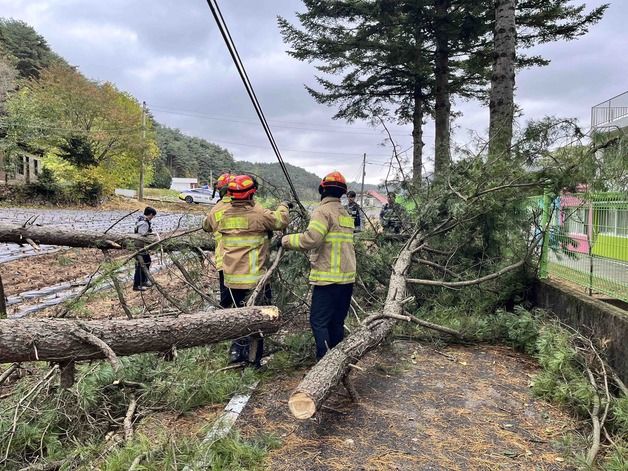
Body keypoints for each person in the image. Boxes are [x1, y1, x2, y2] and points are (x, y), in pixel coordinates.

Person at [205, 174, 290, 365]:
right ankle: (254, 360)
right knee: (258, 319)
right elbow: (281, 221)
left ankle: (236, 354)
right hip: (255, 279)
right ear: (252, 194)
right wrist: (284, 205)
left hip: (231, 278)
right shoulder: (259, 214)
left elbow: (206, 225)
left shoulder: (221, 214)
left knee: (237, 316)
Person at [282, 171, 356, 360]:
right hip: (346, 279)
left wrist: (285, 241)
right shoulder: (345, 213)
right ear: (342, 193)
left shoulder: (322, 211)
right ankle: (337, 362)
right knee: (337, 322)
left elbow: (311, 239)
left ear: (322, 189)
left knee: (319, 322)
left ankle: (323, 364)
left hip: (327, 279)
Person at [202, 173, 232, 306]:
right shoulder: (248, 206)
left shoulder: (216, 209)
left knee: (227, 299)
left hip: (224, 259)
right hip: (247, 260)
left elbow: (206, 226)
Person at [133, 206, 157, 292]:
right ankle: (137, 285)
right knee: (140, 265)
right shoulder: (144, 223)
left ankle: (143, 281)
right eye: (153, 216)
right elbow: (142, 234)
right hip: (139, 246)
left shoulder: (141, 219)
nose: (152, 218)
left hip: (142, 246)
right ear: (150, 214)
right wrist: (151, 236)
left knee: (147, 261)